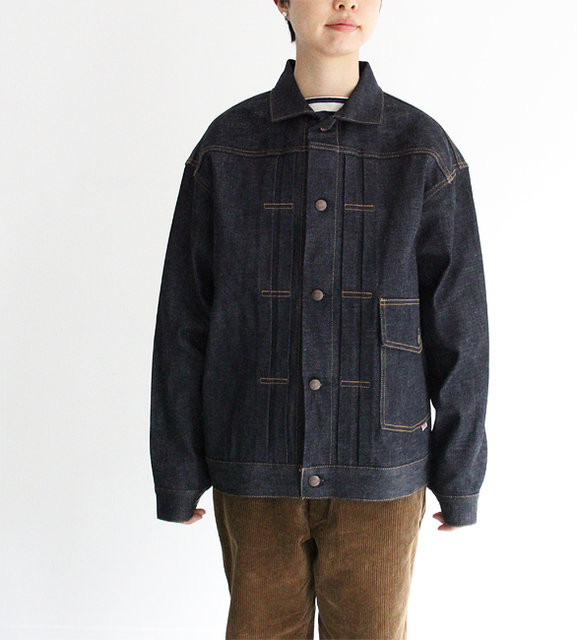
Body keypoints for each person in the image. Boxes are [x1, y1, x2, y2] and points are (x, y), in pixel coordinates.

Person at [150, 1, 489, 637]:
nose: (346, 2)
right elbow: (183, 320)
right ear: (281, 1)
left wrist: (459, 475)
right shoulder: (227, 148)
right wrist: (177, 470)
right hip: (254, 461)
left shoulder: (422, 152)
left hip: (381, 470)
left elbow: (460, 330)